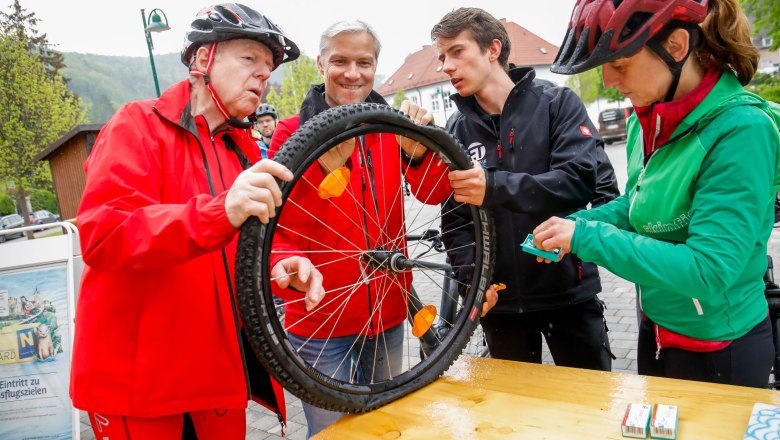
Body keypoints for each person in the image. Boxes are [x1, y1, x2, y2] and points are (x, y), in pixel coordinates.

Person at [70, 4, 303, 438]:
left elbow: (251, 245)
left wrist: (281, 265)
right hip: (140, 385)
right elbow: (105, 234)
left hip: (218, 377)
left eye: (268, 68)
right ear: (202, 58)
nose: (262, 74)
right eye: (249, 58)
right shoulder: (137, 124)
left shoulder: (241, 150)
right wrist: (220, 212)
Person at [534, 0, 780, 388]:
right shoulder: (647, 118)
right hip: (657, 328)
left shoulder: (741, 130)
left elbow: (710, 270)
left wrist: (587, 238)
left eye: (619, 64)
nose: (608, 81)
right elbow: (639, 206)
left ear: (676, 46)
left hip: (720, 344)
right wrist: (576, 224)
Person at [267, 19, 452, 438]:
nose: (353, 73)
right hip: (319, 321)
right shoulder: (290, 133)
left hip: (388, 315)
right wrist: (320, 175)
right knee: (331, 432)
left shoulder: (390, 126)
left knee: (384, 427)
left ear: (375, 67)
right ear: (321, 64)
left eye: (364, 63)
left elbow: (433, 194)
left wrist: (419, 153)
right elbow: (275, 227)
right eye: (340, 61)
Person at [431, 7, 620, 371]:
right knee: (513, 405)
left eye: (456, 52)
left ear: (493, 49)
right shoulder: (456, 129)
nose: (446, 67)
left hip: (568, 292)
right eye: (441, 58)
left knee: (590, 398)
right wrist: (472, 281)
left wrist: (494, 185)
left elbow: (581, 180)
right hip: (499, 303)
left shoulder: (557, 103)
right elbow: (455, 221)